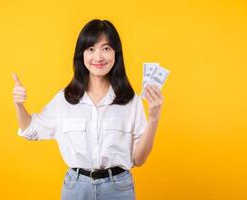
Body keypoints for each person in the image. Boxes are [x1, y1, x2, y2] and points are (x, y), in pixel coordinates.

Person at [12, 19, 163, 200]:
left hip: (118, 190)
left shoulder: (131, 100)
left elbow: (139, 159)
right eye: (91, 49)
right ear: (81, 54)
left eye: (106, 48)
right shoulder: (64, 99)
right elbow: (30, 128)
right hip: (76, 189)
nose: (98, 57)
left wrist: (154, 118)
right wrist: (18, 104)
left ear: (116, 53)